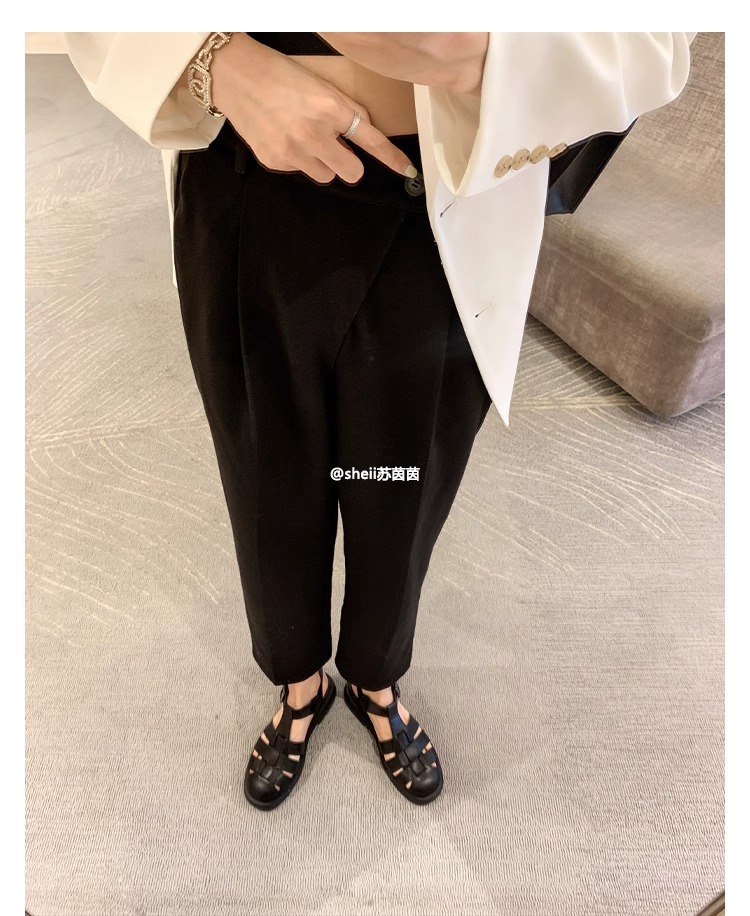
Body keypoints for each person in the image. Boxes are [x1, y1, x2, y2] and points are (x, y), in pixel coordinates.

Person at [63, 31, 697, 810]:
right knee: (267, 477)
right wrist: (212, 60)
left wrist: (495, 52)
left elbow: (663, 34)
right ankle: (299, 683)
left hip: (444, 196)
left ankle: (375, 677)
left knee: (402, 485)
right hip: (241, 177)